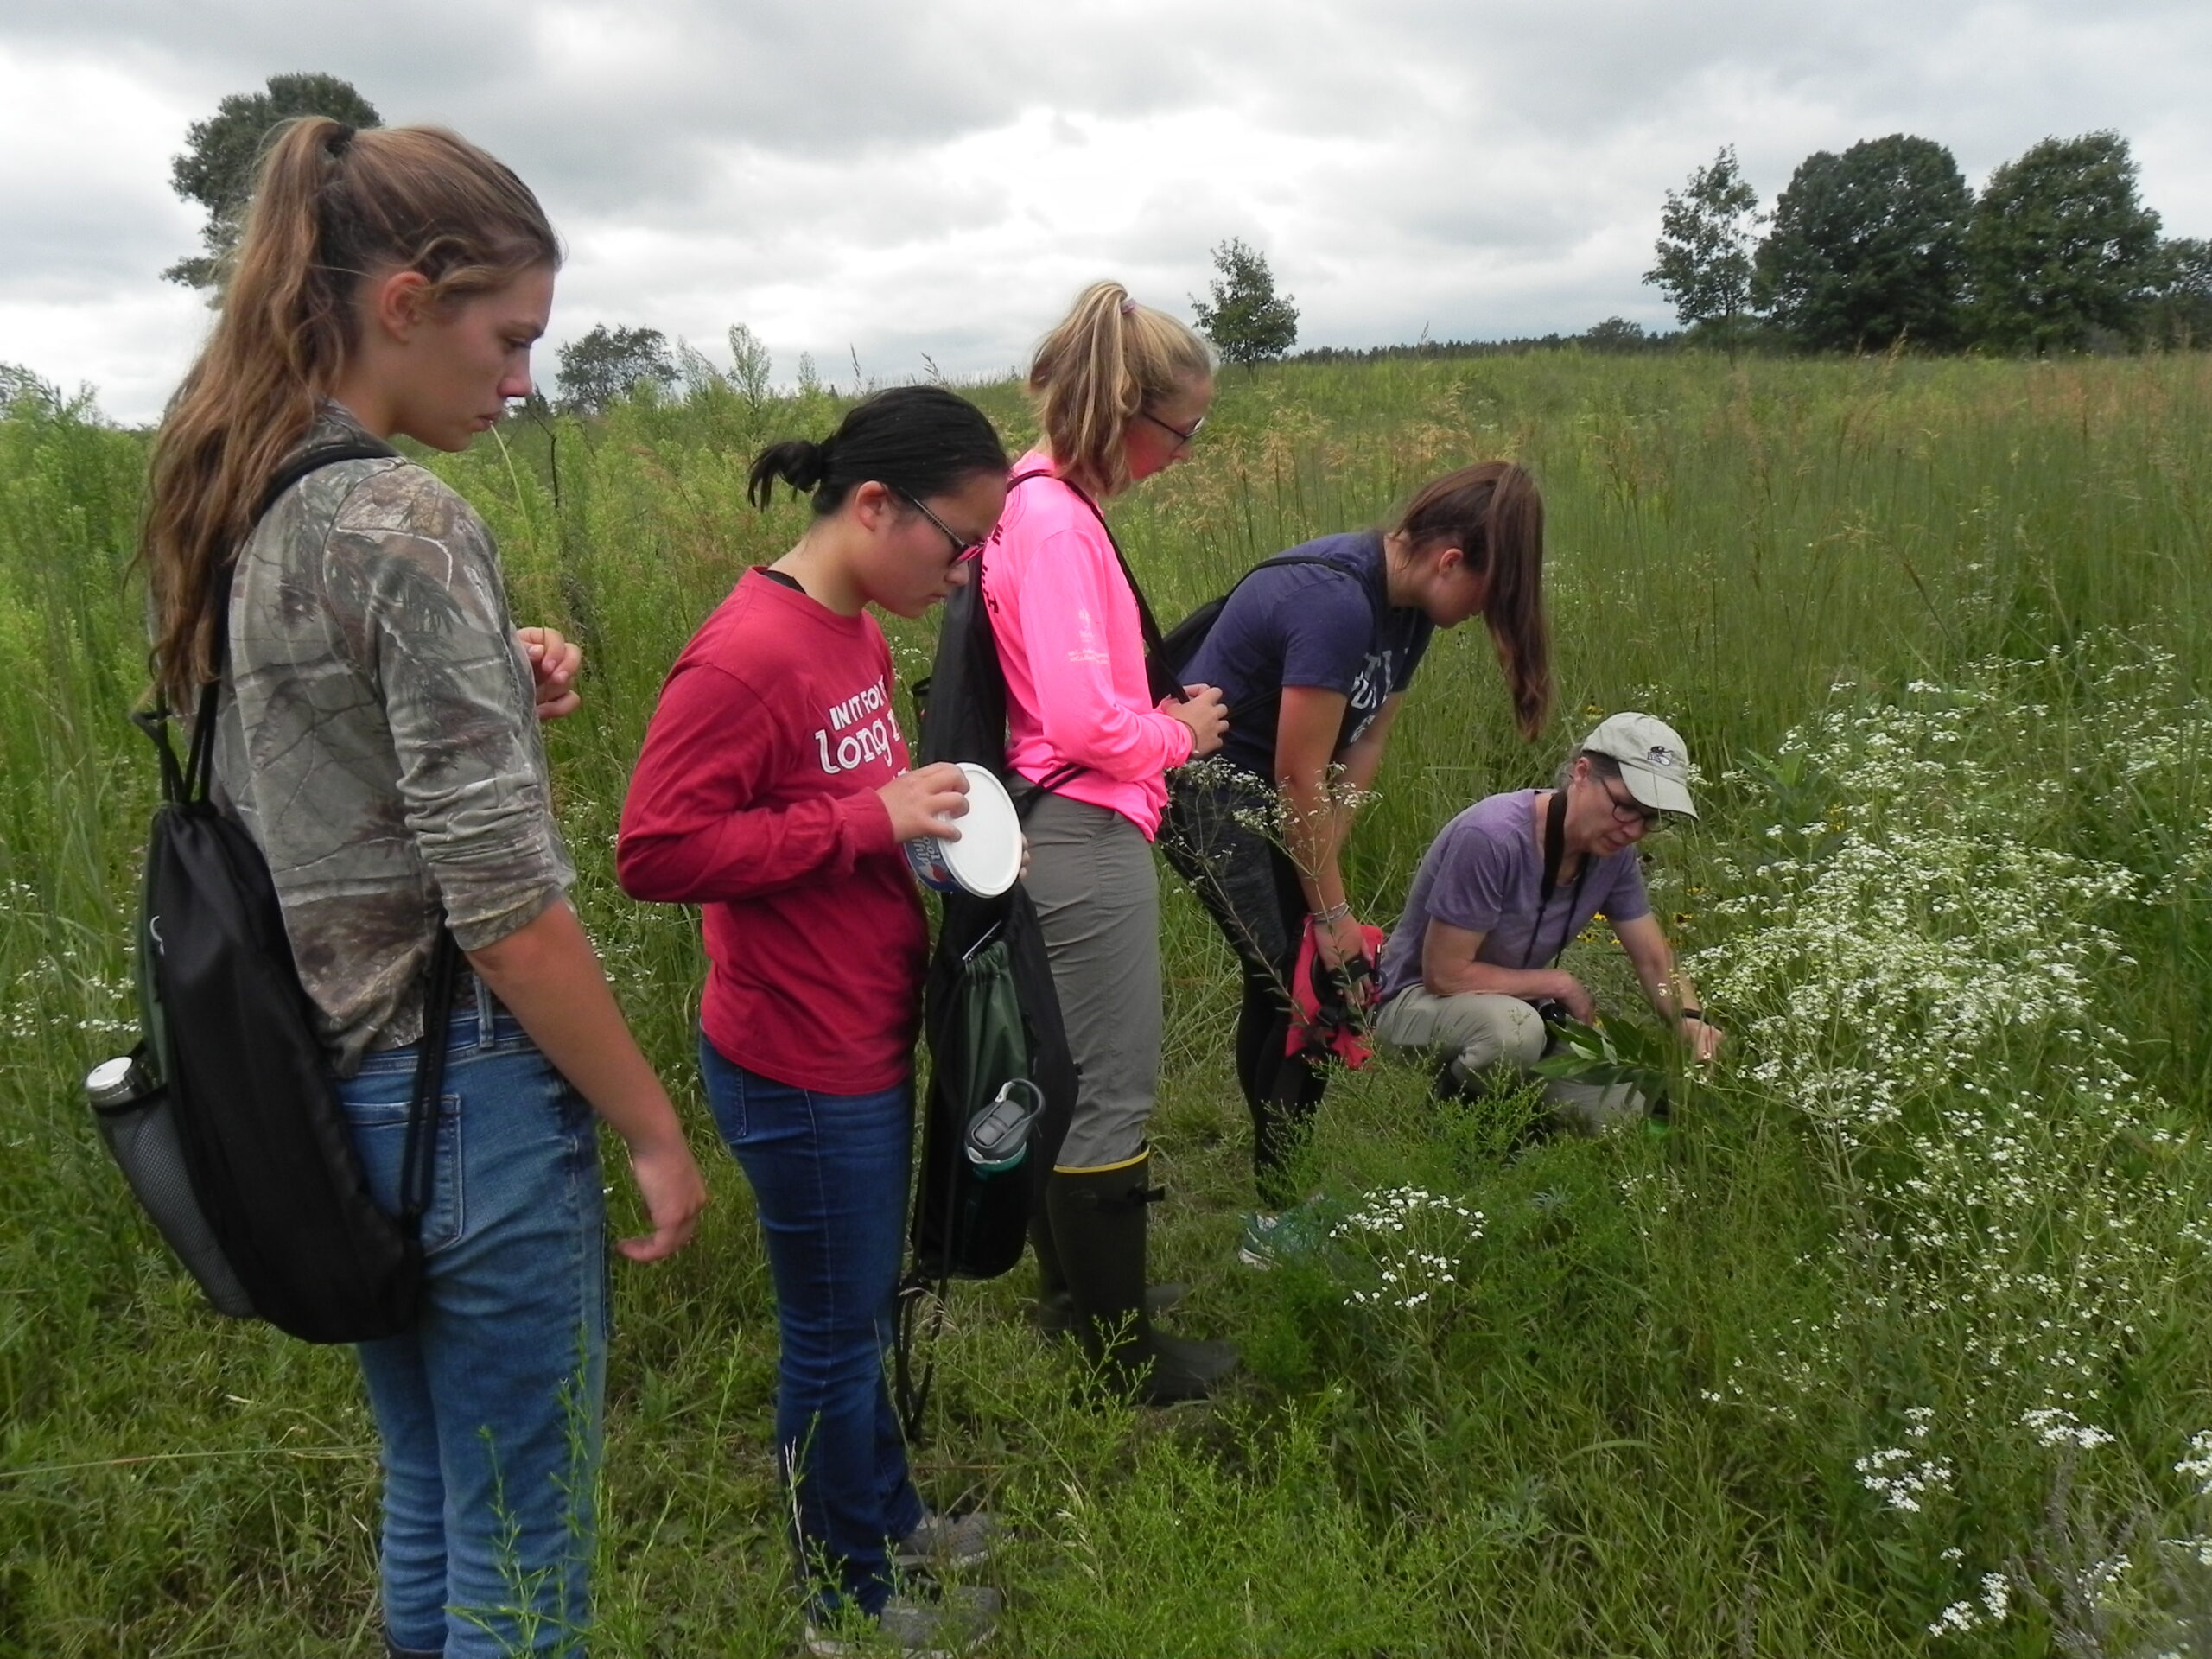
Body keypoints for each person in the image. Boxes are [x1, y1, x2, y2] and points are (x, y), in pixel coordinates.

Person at [137, 118, 709, 1658]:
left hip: (319, 1093)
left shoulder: (233, 486)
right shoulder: (403, 519)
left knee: (435, 1483)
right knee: (531, 1552)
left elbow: (297, 740)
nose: (522, 378)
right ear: (402, 300)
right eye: (507, 333)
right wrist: (652, 1130)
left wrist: (491, 683)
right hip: (464, 1095)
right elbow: (507, 914)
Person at [616, 386, 1010, 1656]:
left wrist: (930, 830)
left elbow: (856, 801)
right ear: (877, 506)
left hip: (861, 1028)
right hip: (798, 1061)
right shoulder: (748, 653)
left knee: (864, 1308)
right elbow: (655, 851)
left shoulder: (848, 626)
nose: (962, 579)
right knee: (833, 1342)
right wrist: (870, 822)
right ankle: (844, 1607)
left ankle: (888, 1520)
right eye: (958, 546)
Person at [1160, 462, 1550, 1240]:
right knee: (1289, 987)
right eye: (1485, 594)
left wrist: (1328, 856)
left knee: (1304, 976)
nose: (1478, 615)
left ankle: (1288, 1195)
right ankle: (1279, 1218)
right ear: (1449, 561)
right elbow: (1297, 773)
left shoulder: (1409, 614)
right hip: (1206, 788)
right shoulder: (1336, 602)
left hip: (1280, 794)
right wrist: (1332, 911)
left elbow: (1367, 739)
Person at [981, 281, 1236, 1405]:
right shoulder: (1053, 524)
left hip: (1054, 824)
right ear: (1126, 410)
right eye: (1181, 430)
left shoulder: (1032, 504)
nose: (1183, 455)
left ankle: (1081, 1298)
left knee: (1063, 1074)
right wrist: (1178, 733)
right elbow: (1086, 724)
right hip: (1080, 827)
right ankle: (1121, 1351)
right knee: (1110, 1088)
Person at [1372, 713, 1724, 1132]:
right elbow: (1445, 976)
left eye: (1651, 819)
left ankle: (1512, 1112)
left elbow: (1652, 958)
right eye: (1626, 807)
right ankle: (1447, 1134)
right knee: (1512, 1035)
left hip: (1519, 1009)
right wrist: (1558, 984)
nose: (1634, 830)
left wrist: (1690, 1018)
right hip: (1413, 1005)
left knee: (1622, 1116)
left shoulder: (1614, 856)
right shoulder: (1493, 837)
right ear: (1582, 773)